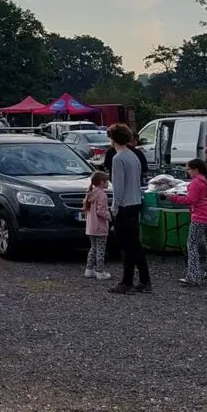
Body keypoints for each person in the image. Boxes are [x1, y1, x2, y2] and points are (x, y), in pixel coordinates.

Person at [106, 123, 150, 294]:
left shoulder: (118, 159)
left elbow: (118, 186)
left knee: (126, 245)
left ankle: (127, 281)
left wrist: (114, 207)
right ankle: (144, 280)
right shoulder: (133, 155)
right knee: (135, 244)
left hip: (125, 205)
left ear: (113, 139)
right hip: (135, 202)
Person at [172, 158, 207, 286]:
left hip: (200, 217)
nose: (188, 172)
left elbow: (190, 200)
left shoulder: (196, 183)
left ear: (196, 170)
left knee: (192, 245)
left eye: (189, 169)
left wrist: (173, 198)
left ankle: (193, 276)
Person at [83, 169, 112, 281]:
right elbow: (101, 211)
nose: (108, 183)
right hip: (100, 227)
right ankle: (100, 272)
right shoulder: (102, 195)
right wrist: (109, 216)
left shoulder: (90, 193)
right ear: (101, 182)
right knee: (101, 249)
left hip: (91, 227)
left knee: (93, 248)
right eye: (106, 181)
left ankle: (89, 269)